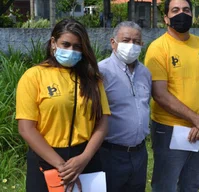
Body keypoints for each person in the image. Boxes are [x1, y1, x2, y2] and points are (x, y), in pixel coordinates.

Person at [16, 18, 110, 192]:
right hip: (46, 158)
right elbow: (26, 128)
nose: (71, 51)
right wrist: (62, 166)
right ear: (53, 43)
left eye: (77, 46)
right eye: (65, 44)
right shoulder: (33, 76)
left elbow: (102, 122)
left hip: (85, 159)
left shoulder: (92, 79)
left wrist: (84, 158)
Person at [144, 0, 199, 190]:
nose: (182, 14)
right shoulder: (158, 48)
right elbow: (159, 94)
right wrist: (196, 119)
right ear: (166, 18)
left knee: (191, 183)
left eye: (186, 10)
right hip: (169, 129)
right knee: (166, 185)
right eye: (175, 10)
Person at [98, 21, 151, 192]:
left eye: (136, 42)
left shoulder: (145, 73)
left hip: (139, 153)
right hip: (111, 153)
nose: (131, 46)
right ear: (113, 43)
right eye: (126, 40)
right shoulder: (101, 72)